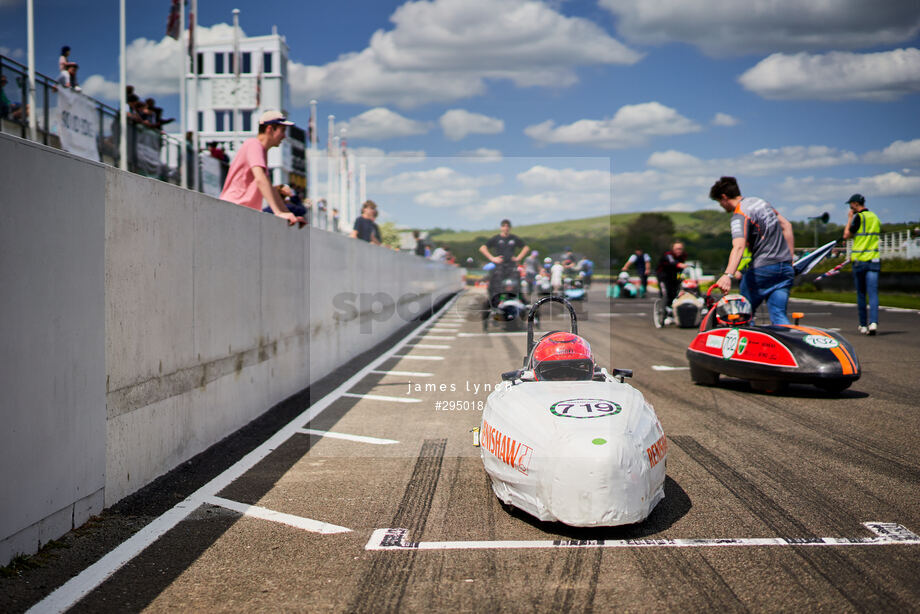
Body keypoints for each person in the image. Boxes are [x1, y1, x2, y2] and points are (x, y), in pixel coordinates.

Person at [710, 176, 794, 325]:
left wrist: (727, 275)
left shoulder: (740, 214)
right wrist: (790, 259)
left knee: (743, 314)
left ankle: (747, 347)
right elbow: (786, 226)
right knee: (779, 315)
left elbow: (739, 246)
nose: (722, 206)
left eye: (719, 202)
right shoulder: (761, 203)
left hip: (763, 268)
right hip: (785, 268)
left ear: (724, 197)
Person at [219, 110, 305, 227]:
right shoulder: (254, 144)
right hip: (233, 209)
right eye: (282, 131)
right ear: (270, 129)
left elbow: (269, 187)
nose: (284, 136)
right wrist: (278, 212)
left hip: (241, 213)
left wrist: (288, 214)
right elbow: (260, 179)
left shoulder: (261, 151)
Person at [842, 194, 881, 335]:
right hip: (874, 259)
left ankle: (863, 324)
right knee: (873, 293)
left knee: (861, 294)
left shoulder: (859, 217)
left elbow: (847, 235)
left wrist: (849, 218)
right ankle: (874, 323)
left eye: (850, 205)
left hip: (860, 260)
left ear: (854, 204)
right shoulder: (875, 217)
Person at [479, 219, 529, 307]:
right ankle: (494, 304)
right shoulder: (496, 238)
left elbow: (526, 248)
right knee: (496, 286)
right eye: (504, 226)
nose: (506, 228)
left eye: (507, 226)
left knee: (515, 285)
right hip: (499, 266)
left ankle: (520, 302)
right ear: (501, 227)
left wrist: (518, 258)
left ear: (510, 228)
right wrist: (492, 258)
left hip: (511, 266)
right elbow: (483, 248)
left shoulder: (513, 238)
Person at [656, 242, 687, 323]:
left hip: (674, 277)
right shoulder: (668, 255)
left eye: (680, 249)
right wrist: (680, 265)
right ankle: (663, 313)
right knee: (665, 294)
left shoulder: (683, 256)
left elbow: (680, 271)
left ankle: (671, 313)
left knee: (674, 294)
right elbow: (672, 262)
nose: (679, 251)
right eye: (677, 249)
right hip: (663, 277)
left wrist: (681, 278)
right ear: (673, 249)